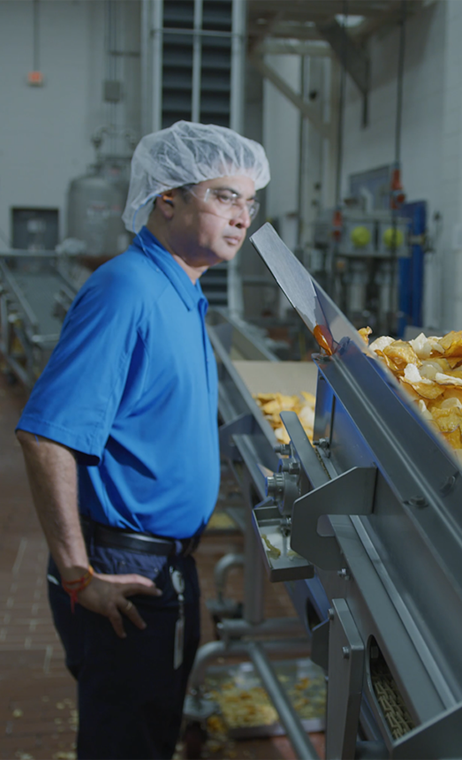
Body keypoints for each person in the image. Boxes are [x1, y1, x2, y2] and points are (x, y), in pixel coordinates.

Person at [15, 121, 270, 760]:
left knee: (150, 726)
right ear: (168, 200)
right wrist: (79, 575)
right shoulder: (128, 289)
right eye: (223, 197)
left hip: (163, 561)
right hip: (122, 571)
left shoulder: (183, 290)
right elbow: (46, 435)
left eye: (249, 202)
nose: (242, 217)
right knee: (125, 741)